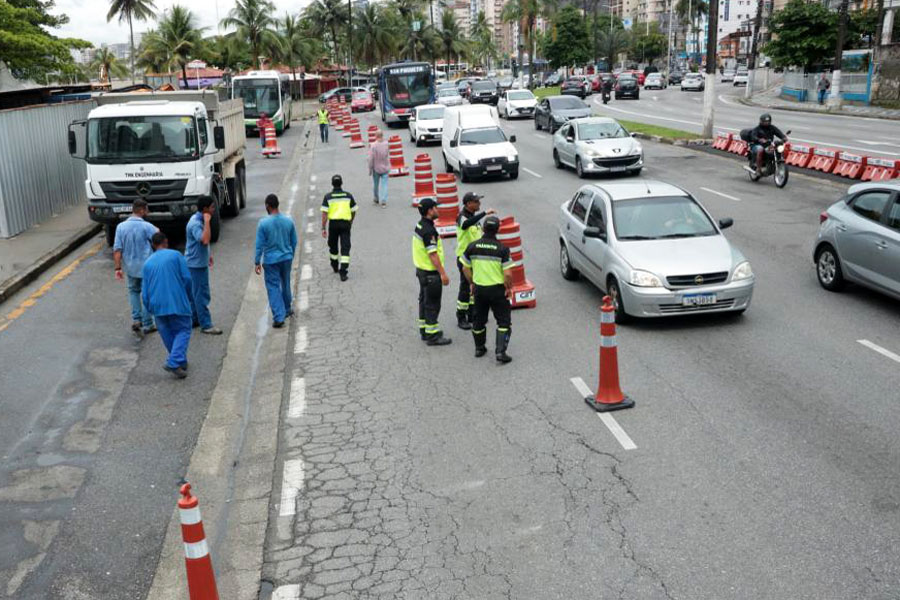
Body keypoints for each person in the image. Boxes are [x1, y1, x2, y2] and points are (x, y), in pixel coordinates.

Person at [460, 216, 514, 363]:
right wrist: (509, 288)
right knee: (503, 322)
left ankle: (479, 348)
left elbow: (465, 268)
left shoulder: (472, 246)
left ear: (483, 229)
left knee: (478, 320)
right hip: (497, 290)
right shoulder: (503, 249)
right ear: (498, 230)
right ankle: (500, 352)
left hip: (479, 290)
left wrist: (471, 283)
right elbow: (508, 274)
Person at [142, 232, 193, 379]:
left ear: (153, 245)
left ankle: (179, 361)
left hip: (157, 305)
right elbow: (187, 279)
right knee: (183, 330)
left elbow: (144, 292)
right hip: (176, 301)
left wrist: (149, 307)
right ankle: (174, 361)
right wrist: (187, 296)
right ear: (166, 241)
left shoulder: (147, 263)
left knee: (167, 333)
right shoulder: (176, 256)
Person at [112, 199, 158, 337]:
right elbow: (158, 237)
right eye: (147, 209)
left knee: (133, 291)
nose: (148, 211)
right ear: (142, 210)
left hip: (130, 267)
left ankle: (137, 319)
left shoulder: (121, 227)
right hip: (146, 266)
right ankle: (148, 323)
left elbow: (117, 249)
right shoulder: (147, 226)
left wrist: (118, 268)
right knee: (147, 294)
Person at [412, 198, 452, 346]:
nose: (438, 210)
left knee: (424, 301)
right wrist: (443, 273)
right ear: (429, 211)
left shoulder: (421, 225)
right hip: (430, 274)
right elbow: (432, 254)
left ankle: (424, 330)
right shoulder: (429, 231)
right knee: (433, 304)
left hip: (421, 270)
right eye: (436, 207)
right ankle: (432, 335)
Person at [255, 194, 298, 328]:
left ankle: (279, 317)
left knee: (273, 286)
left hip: (271, 260)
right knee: (285, 282)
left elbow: (259, 245)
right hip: (286, 258)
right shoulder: (288, 221)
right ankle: (287, 309)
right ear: (278, 204)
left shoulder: (263, 223)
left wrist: (257, 262)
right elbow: (294, 241)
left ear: (267, 206)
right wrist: (291, 254)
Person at [454, 192, 495, 330]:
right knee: (465, 288)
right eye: (476, 202)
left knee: (475, 287)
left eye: (479, 201)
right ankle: (461, 316)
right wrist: (484, 213)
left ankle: (472, 313)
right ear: (468, 204)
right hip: (464, 259)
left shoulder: (473, 217)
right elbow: (465, 225)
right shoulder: (462, 217)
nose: (479, 203)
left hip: (475, 259)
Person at [185, 197, 223, 335]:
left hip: (196, 262)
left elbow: (201, 244)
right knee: (201, 294)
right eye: (212, 207)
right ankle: (206, 325)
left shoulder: (197, 220)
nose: (214, 210)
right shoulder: (196, 223)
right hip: (196, 265)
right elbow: (205, 240)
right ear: (205, 209)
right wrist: (207, 221)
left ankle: (195, 319)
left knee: (195, 293)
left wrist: (208, 255)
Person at [320, 174, 357, 281]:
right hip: (345, 224)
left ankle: (335, 265)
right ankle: (343, 272)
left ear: (332, 184)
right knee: (345, 247)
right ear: (341, 183)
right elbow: (354, 210)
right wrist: (351, 221)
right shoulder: (348, 196)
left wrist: (323, 228)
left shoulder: (328, 197)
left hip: (333, 225)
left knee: (333, 246)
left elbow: (324, 214)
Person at [367, 130, 391, 208]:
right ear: (382, 135)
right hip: (385, 167)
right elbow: (387, 154)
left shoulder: (373, 145)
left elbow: (371, 158)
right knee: (384, 185)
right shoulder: (387, 144)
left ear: (376, 136)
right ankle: (383, 201)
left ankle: (376, 198)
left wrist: (370, 169)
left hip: (376, 168)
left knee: (376, 184)